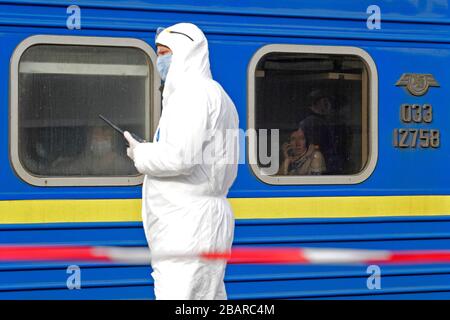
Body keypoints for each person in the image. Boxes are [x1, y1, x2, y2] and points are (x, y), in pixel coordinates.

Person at [123, 23, 239, 300]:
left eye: (166, 53)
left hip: (187, 224)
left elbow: (180, 157)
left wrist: (141, 153)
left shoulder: (192, 95)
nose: (160, 60)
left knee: (178, 294)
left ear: (186, 53)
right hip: (202, 218)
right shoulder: (217, 95)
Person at [299, 89, 345, 174]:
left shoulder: (329, 121)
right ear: (314, 104)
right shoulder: (310, 122)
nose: (328, 105)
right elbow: (312, 145)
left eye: (328, 102)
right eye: (324, 102)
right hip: (319, 163)